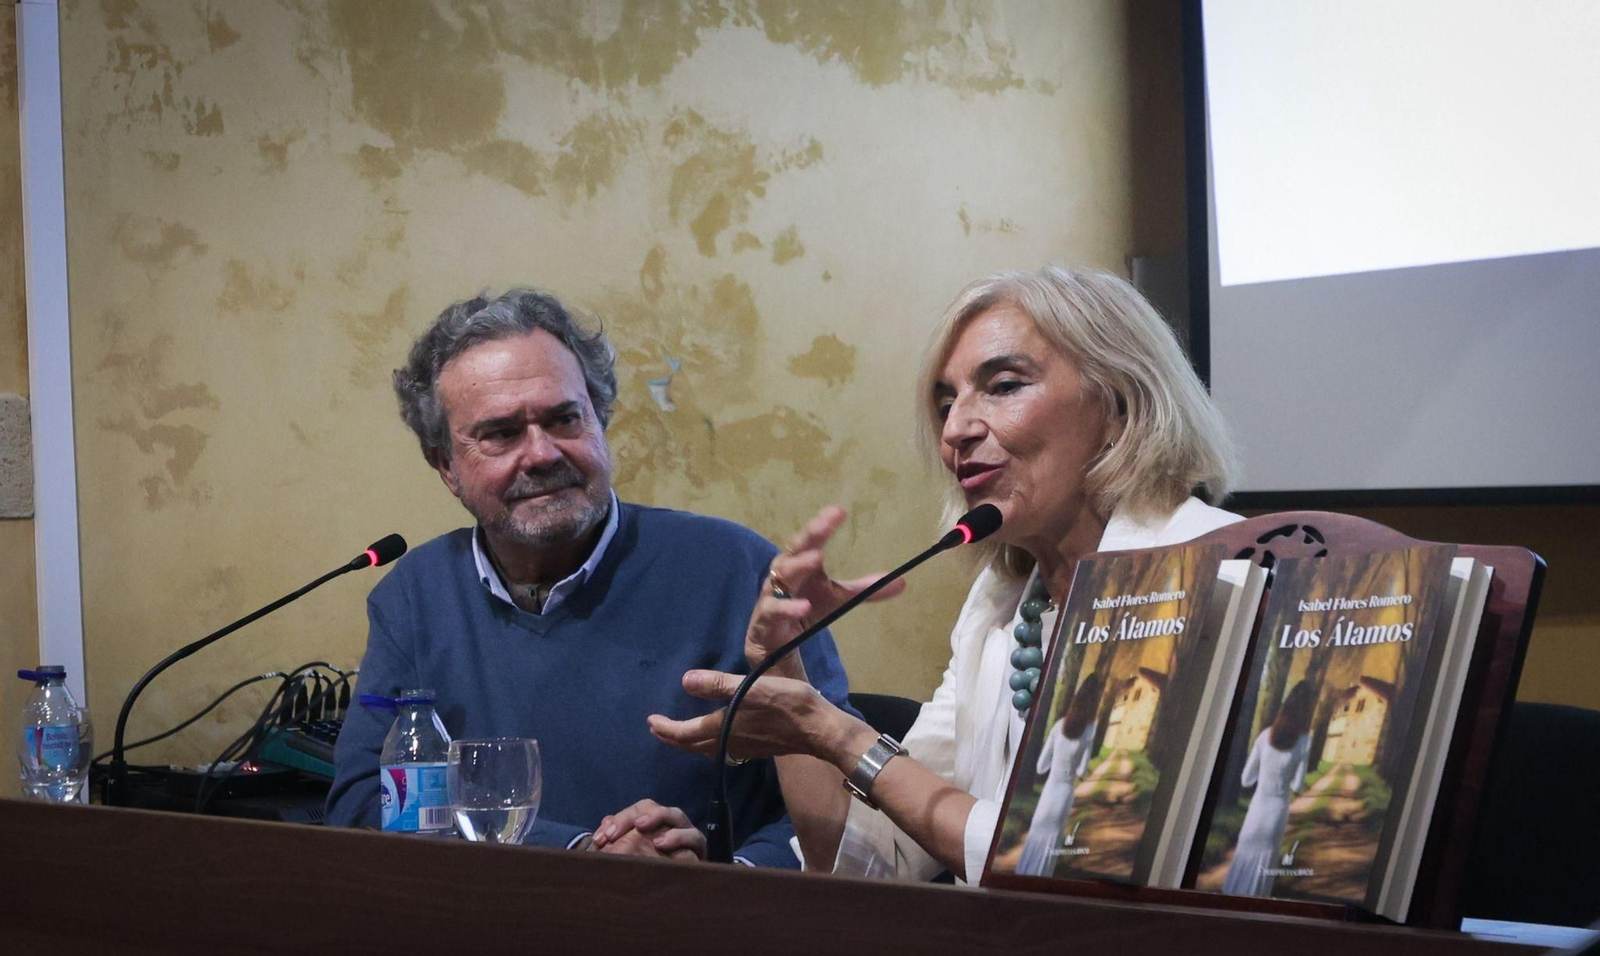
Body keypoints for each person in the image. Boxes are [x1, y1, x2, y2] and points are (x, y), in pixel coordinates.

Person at [644, 265, 1241, 882]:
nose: (955, 429)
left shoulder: (1196, 569)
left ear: (1119, 402)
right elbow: (869, 863)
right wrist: (789, 671)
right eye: (946, 402)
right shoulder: (1004, 605)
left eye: (1003, 386)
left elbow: (1072, 859)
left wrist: (839, 736)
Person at [326, 288, 854, 867]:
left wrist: (722, 882)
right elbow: (363, 801)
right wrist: (583, 854)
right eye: (501, 433)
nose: (542, 453)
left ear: (599, 419)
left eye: (564, 419)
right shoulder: (414, 596)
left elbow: (837, 802)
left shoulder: (740, 570)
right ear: (446, 466)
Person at [1222, 680, 1315, 896]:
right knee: (1261, 872)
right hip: (1276, 813)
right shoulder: (1304, 741)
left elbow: (1246, 779)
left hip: (1255, 812)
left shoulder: (1265, 736)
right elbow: (1298, 785)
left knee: (1241, 863)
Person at [1014, 672, 1102, 876]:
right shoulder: (1090, 729)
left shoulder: (1059, 725)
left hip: (1049, 791)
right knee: (1052, 838)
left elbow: (1040, 767)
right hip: (1064, 793)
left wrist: (1057, 761)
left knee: (1036, 834)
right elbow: (1081, 769)